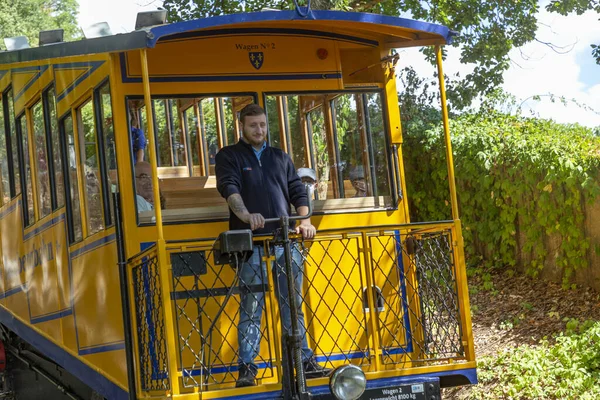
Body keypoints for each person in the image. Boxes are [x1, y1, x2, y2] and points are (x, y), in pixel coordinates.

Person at [215, 104, 330, 388]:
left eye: (263, 125)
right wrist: (245, 215)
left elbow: (296, 190)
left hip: (284, 240)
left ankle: (303, 361)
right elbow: (229, 188)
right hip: (249, 243)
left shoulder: (280, 157)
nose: (259, 130)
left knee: (293, 303)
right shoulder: (229, 156)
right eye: (253, 125)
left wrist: (304, 220)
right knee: (251, 305)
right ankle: (247, 368)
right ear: (241, 126)